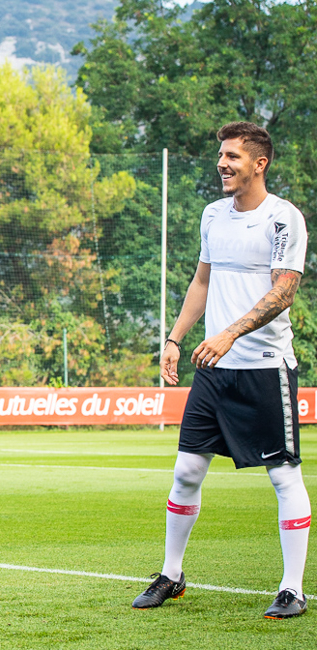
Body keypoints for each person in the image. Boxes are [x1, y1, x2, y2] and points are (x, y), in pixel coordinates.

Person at [133, 122, 310, 619]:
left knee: (283, 476)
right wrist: (174, 339)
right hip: (214, 369)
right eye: (221, 156)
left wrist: (229, 333)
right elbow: (202, 282)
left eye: (232, 156)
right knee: (187, 471)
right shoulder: (213, 214)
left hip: (264, 368)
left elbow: (283, 291)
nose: (222, 164)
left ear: (260, 163)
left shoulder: (283, 218)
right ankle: (171, 574)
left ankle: (292, 589)